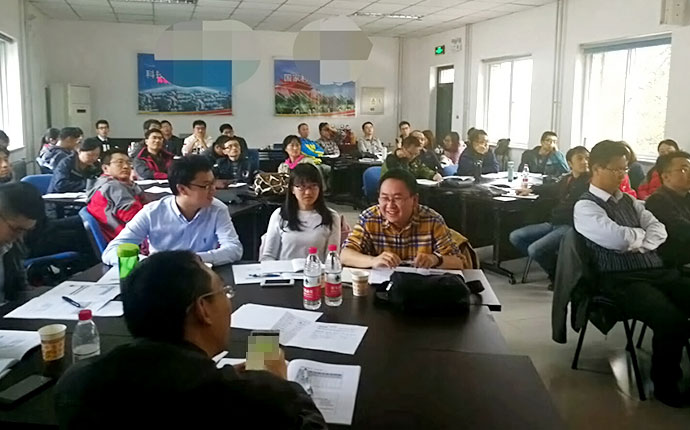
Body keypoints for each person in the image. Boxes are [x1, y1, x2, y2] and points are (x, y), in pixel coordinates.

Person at [55, 251, 326, 429]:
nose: (228, 302)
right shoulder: (247, 399)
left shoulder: (77, 381)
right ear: (202, 309)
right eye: (224, 291)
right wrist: (282, 385)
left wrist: (226, 375)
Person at [573, 139, 690, 408]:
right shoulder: (586, 206)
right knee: (671, 320)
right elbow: (618, 240)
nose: (622, 175)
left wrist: (637, 241)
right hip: (620, 280)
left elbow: (659, 231)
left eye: (624, 169)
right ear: (596, 169)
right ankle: (666, 385)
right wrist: (640, 238)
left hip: (656, 272)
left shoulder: (630, 201)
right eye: (616, 169)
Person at [102, 155, 243, 266]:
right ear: (182, 189)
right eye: (205, 186)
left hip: (201, 277)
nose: (213, 190)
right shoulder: (152, 213)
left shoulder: (217, 210)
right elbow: (112, 251)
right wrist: (150, 263)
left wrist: (194, 259)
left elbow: (234, 249)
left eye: (213, 183)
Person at [342, 169, 468, 269]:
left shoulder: (432, 220)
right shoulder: (370, 217)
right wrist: (373, 260)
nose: (390, 205)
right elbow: (345, 254)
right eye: (385, 198)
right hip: (381, 288)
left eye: (397, 198)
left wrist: (435, 260)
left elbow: (459, 262)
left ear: (414, 200)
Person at [509, 146, 590, 286]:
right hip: (554, 223)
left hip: (570, 226)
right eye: (580, 159)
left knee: (534, 249)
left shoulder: (589, 182)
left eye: (587, 158)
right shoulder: (568, 179)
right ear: (570, 163)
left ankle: (557, 276)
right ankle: (558, 266)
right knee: (516, 236)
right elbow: (552, 188)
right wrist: (531, 189)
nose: (585, 162)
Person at [261, 164, 340, 261]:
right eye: (302, 187)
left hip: (315, 270)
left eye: (313, 186)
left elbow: (331, 257)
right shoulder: (280, 215)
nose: (308, 192)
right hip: (284, 270)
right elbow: (268, 255)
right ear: (292, 189)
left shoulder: (331, 217)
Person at [86, 150, 146, 242]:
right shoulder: (113, 187)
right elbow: (136, 220)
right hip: (129, 241)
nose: (126, 166)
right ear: (105, 168)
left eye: (128, 162)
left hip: (120, 237)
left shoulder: (103, 183)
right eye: (119, 163)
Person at [0, 183, 44, 302]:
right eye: (16, 229)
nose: (20, 237)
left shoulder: (11, 245)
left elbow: (20, 288)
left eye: (26, 231)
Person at [645, 151, 690, 268]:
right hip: (675, 263)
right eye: (684, 170)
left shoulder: (687, 196)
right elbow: (683, 230)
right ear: (665, 176)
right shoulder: (658, 201)